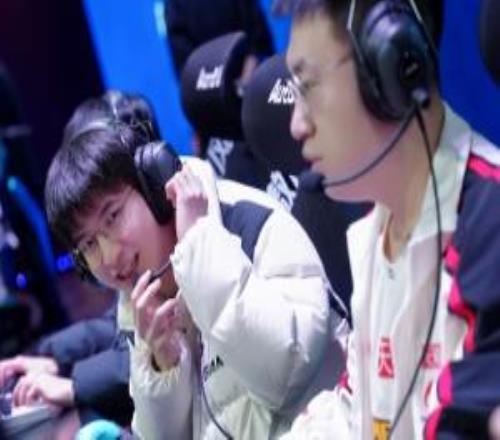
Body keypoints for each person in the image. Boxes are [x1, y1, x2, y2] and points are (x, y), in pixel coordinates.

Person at [44, 96, 343, 439]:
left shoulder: (249, 223)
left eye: (112, 217)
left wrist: (200, 248)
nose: (108, 257)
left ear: (153, 185)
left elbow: (287, 376)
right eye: (88, 245)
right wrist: (162, 364)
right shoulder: (139, 297)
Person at [272, 0, 500, 438]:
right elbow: (357, 413)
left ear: (394, 64)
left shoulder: (489, 234)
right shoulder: (374, 237)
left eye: (308, 85)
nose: (297, 124)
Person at [165, 0, 274, 81]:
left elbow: (257, 32)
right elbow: (184, 61)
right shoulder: (175, 4)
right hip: (210, 92)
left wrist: (249, 73)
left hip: (253, 79)